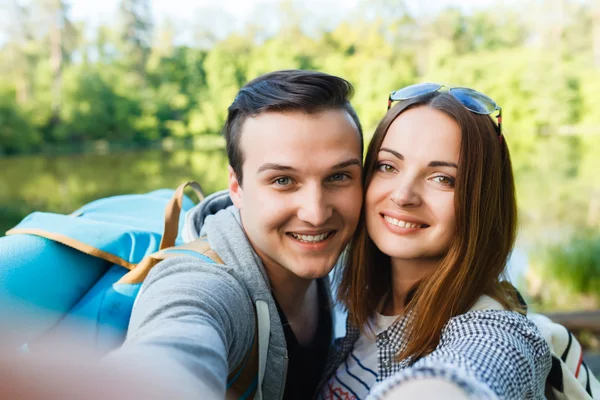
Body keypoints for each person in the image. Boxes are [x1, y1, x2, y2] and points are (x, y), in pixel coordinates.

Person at [110, 69, 365, 399]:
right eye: (283, 181)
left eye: (339, 177)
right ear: (236, 187)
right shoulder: (203, 285)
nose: (315, 213)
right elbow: (174, 348)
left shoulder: (351, 256)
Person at [319, 83, 552, 400]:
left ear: (482, 201)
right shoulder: (367, 304)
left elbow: (477, 366)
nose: (402, 195)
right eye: (388, 166)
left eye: (443, 178)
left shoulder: (495, 328)